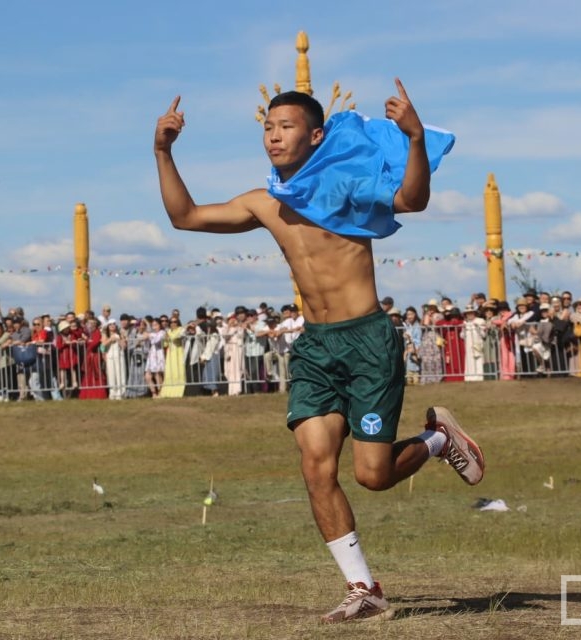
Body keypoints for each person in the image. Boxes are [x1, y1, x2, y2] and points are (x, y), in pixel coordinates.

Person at [154, 79, 484, 623]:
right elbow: (185, 216)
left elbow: (412, 199)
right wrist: (163, 151)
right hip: (315, 347)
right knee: (315, 467)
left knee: (373, 476)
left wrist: (417, 138)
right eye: (267, 127)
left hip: (367, 342)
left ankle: (437, 438)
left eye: (286, 127)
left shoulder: (348, 185)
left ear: (315, 135)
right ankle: (364, 588)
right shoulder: (265, 203)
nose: (274, 137)